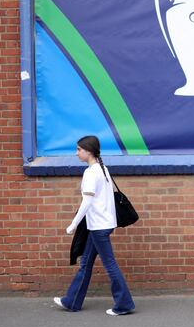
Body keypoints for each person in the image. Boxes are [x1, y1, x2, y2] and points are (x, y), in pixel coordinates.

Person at [53, 135, 135, 316]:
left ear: (88, 151)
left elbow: (87, 202)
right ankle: (71, 301)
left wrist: (73, 224)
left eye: (79, 150)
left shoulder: (91, 172)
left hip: (98, 226)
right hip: (101, 224)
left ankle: (124, 304)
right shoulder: (103, 169)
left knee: (110, 265)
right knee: (86, 264)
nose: (76, 153)